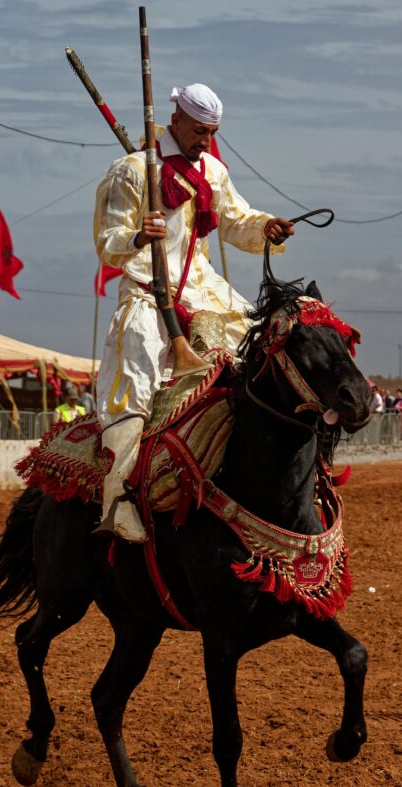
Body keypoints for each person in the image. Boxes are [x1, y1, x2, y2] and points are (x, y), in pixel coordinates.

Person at [94, 82, 295, 542]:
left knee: (262, 358)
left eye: (213, 132)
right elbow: (108, 245)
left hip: (204, 293)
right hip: (147, 293)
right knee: (133, 390)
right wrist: (139, 237)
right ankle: (117, 500)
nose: (205, 141)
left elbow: (236, 220)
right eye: (200, 131)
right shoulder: (128, 172)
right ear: (177, 120)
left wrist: (269, 228)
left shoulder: (213, 171)